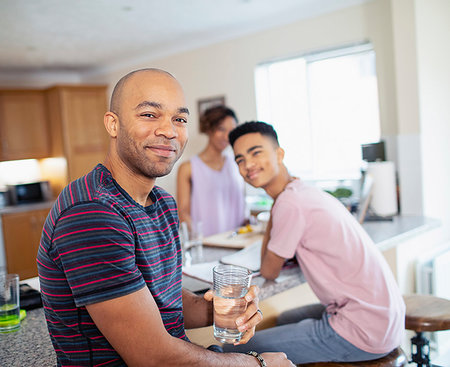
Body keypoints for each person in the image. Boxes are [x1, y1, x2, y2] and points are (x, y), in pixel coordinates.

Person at [36, 70, 294, 367]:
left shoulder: (162, 204)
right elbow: (152, 357)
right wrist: (258, 363)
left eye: (179, 119)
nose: (169, 131)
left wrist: (220, 310)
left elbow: (163, 298)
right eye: (149, 114)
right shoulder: (92, 212)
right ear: (113, 124)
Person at [224, 121, 405, 364]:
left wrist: (277, 207)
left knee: (233, 348)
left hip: (363, 330)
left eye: (256, 152)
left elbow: (269, 270)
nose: (248, 165)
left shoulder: (289, 203)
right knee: (285, 318)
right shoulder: (302, 191)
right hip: (384, 319)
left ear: (280, 154)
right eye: (240, 160)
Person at [176, 105, 246, 237]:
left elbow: (242, 202)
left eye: (232, 131)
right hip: (207, 244)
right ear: (208, 129)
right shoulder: (188, 168)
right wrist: (199, 239)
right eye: (221, 129)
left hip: (238, 241)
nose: (227, 136)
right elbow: (183, 212)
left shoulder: (238, 163)